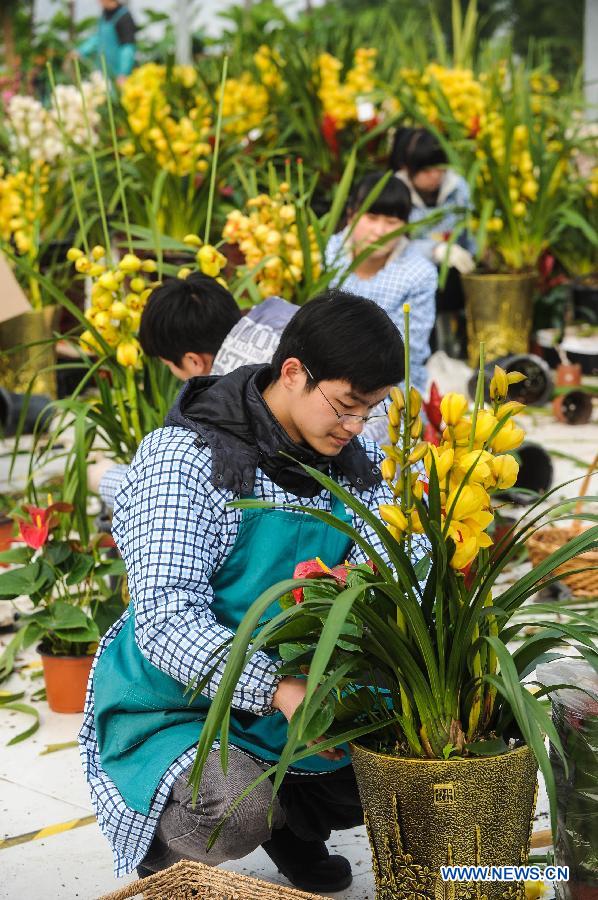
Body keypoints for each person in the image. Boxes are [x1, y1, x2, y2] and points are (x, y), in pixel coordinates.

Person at [79, 290, 425, 892]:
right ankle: (166, 858)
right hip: (177, 701)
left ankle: (292, 827)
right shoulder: (185, 458)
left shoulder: (359, 452)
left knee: (410, 761)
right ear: (293, 373)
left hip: (306, 682)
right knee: (233, 812)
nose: (356, 426)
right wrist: (278, 688)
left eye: (370, 410)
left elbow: (405, 554)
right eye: (345, 407)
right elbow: (165, 622)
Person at [90, 273, 298, 506]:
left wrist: (103, 477)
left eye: (169, 366)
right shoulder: (281, 316)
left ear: (194, 361)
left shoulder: (226, 403)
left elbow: (174, 493)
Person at [325, 171, 437, 399]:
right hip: (323, 372)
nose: (379, 231)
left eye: (392, 222)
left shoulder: (418, 273)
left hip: (390, 385)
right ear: (351, 215)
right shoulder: (326, 253)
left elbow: (409, 351)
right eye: (371, 217)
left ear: (405, 225)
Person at [390, 127, 475, 357]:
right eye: (426, 169)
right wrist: (435, 249)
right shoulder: (395, 192)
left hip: (454, 280)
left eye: (439, 167)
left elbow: (471, 232)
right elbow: (394, 244)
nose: (435, 175)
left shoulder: (457, 188)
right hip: (412, 277)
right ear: (408, 168)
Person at [78, 1, 137, 83]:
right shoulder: (104, 14)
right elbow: (98, 37)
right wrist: (81, 51)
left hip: (117, 74)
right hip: (102, 70)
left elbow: (127, 48)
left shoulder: (124, 17)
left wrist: (123, 73)